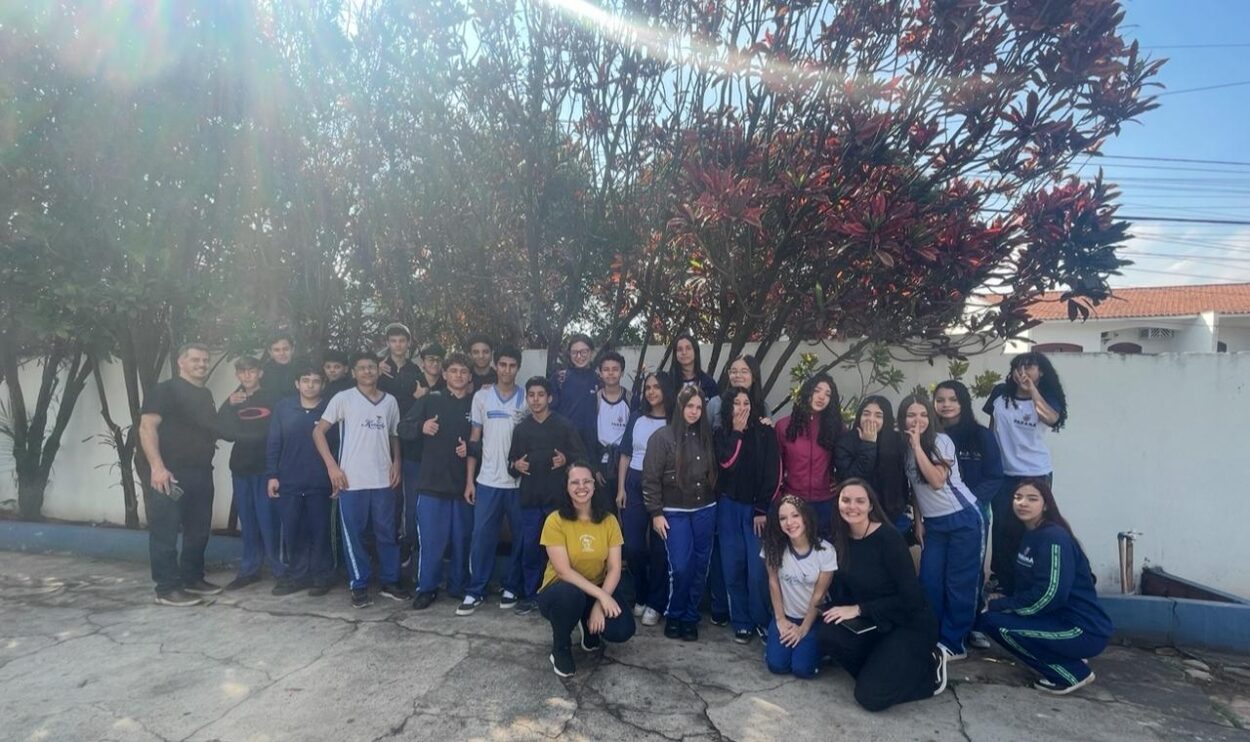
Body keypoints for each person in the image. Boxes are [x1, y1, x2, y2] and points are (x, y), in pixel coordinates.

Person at [819, 479, 948, 711]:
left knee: (870, 697)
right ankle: (882, 669)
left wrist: (859, 609)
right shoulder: (841, 538)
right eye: (846, 500)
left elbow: (912, 599)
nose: (852, 506)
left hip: (909, 623)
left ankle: (929, 669)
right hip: (876, 622)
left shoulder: (889, 538)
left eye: (860, 501)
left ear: (870, 506)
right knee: (828, 632)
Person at [977, 478, 1111, 695]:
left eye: (1032, 499)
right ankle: (1066, 656)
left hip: (1081, 629)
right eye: (1017, 498)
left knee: (997, 624)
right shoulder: (1029, 535)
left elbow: (1050, 594)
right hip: (1054, 620)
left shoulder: (1054, 538)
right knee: (992, 618)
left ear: (1046, 504)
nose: (1022, 503)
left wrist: (1002, 606)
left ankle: (1071, 673)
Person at [312, 353, 407, 608]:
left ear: (378, 371)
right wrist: (332, 467)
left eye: (371, 367)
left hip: (383, 479)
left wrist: (397, 462)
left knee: (387, 533)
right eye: (362, 368)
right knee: (353, 534)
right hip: (351, 480)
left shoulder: (390, 402)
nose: (367, 372)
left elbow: (394, 435)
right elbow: (318, 431)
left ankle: (390, 580)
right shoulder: (344, 398)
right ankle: (359, 584)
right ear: (353, 372)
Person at [138, 343, 223, 606]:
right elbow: (146, 427)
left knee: (198, 530)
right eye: (196, 359)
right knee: (165, 531)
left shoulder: (205, 393)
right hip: (169, 474)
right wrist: (157, 467)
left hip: (200, 472)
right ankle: (166, 588)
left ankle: (192, 578)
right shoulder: (165, 390)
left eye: (205, 360)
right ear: (181, 363)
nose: (202, 364)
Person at [900, 394, 983, 661]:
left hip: (962, 519)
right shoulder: (906, 448)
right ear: (902, 419)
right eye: (911, 415)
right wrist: (919, 520)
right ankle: (930, 635)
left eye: (923, 414)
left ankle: (953, 643)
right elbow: (915, 488)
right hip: (934, 525)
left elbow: (936, 480)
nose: (918, 420)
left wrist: (917, 447)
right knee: (929, 581)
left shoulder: (941, 441)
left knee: (959, 584)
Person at [538, 463, 635, 677]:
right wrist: (602, 596)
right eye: (575, 482)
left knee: (623, 629)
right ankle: (560, 648)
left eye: (586, 481)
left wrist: (600, 605)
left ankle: (587, 620)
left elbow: (614, 568)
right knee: (570, 595)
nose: (581, 487)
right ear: (566, 487)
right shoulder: (555, 520)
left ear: (594, 485)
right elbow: (563, 571)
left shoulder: (609, 520)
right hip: (560, 590)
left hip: (595, 587)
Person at [982, 352, 1068, 594]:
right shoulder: (1000, 393)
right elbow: (993, 428)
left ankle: (1030, 578)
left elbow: (1051, 418)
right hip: (1003, 473)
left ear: (1041, 372)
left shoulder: (1046, 397)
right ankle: (1001, 578)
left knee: (1032, 524)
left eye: (1029, 367)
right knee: (1002, 526)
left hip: (1034, 473)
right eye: (1018, 367)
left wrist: (1032, 391)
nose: (1023, 371)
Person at [397, 353, 475, 610]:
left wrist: (473, 449)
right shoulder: (431, 400)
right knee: (431, 541)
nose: (458, 376)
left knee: (462, 540)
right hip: (432, 484)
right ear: (445, 374)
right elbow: (402, 428)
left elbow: (490, 441)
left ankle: (458, 585)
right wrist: (422, 427)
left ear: (470, 376)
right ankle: (426, 588)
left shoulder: (476, 404)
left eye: (463, 372)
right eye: (453, 371)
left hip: (464, 485)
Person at [934, 379, 1005, 649]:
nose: (946, 405)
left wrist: (970, 502)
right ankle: (943, 628)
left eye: (952, 399)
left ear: (962, 402)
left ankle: (971, 625)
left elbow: (994, 476)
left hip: (973, 515)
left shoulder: (981, 436)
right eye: (940, 400)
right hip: (938, 517)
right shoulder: (931, 437)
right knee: (939, 575)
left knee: (968, 575)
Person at [643, 385, 717, 641]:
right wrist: (655, 512)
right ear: (680, 407)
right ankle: (674, 613)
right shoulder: (662, 437)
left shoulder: (707, 436)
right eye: (690, 406)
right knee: (681, 566)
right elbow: (650, 479)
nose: (694, 411)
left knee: (700, 565)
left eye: (699, 407)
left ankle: (689, 616)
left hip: (705, 509)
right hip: (674, 512)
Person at [507, 377, 587, 615]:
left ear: (549, 398)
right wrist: (516, 466)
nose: (536, 399)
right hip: (530, 500)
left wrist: (567, 460)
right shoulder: (521, 429)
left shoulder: (564, 425)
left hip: (558, 500)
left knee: (560, 551)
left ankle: (562, 594)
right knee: (530, 549)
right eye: (531, 395)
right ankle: (532, 595)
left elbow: (580, 458)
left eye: (541, 394)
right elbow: (511, 464)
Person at [459, 345, 527, 616]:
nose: (507, 370)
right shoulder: (482, 397)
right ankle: (476, 590)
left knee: (521, 538)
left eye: (512, 366)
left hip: (519, 484)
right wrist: (469, 480)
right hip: (487, 480)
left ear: (517, 369)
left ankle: (512, 586)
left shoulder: (527, 398)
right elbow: (474, 441)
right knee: (481, 538)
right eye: (503, 365)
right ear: (495, 366)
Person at [715, 385, 781, 643]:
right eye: (736, 403)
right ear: (728, 408)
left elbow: (773, 472)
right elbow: (726, 463)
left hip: (757, 510)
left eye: (746, 403)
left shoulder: (765, 432)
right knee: (733, 567)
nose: (742, 408)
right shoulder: (722, 434)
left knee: (757, 571)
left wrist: (762, 509)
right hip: (729, 507)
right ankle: (741, 621)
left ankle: (762, 620)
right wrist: (738, 433)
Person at [265, 365, 334, 596]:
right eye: (306, 380)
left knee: (320, 531)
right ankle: (297, 576)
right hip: (289, 481)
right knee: (294, 531)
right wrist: (273, 474)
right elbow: (274, 442)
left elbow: (338, 445)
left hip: (320, 482)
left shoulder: (330, 409)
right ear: (297, 383)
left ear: (322, 385)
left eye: (316, 381)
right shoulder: (284, 407)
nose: (310, 385)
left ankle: (321, 577)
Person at [615, 371, 675, 627]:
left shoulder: (675, 420)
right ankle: (640, 594)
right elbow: (625, 454)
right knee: (633, 547)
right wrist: (621, 488)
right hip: (634, 482)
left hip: (665, 486)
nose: (651, 391)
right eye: (648, 387)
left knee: (661, 547)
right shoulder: (637, 417)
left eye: (657, 387)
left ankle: (656, 602)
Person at [217, 356, 281, 591]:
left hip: (266, 468)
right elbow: (222, 430)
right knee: (249, 521)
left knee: (269, 520)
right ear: (237, 375)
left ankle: (279, 569)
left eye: (251, 371)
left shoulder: (272, 397)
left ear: (260, 373)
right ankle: (249, 570)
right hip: (241, 466)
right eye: (242, 372)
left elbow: (278, 431)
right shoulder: (234, 399)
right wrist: (228, 404)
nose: (247, 376)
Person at [761, 495, 836, 678]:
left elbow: (819, 595)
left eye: (795, 515)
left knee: (803, 669)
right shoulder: (774, 547)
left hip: (813, 618)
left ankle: (821, 650)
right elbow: (773, 582)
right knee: (777, 665)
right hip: (786, 615)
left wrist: (803, 629)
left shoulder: (825, 551)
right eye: (783, 518)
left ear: (805, 517)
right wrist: (780, 620)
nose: (790, 522)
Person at [377, 323, 424, 578]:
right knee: (389, 496)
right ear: (388, 342)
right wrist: (375, 364)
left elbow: (426, 396)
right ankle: (390, 548)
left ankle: (409, 544)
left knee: (411, 498)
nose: (398, 345)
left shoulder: (415, 370)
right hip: (382, 440)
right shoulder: (378, 369)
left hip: (412, 441)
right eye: (393, 340)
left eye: (402, 341)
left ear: (408, 343)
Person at [775, 374, 843, 535]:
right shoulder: (783, 426)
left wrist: (842, 482)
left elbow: (846, 460)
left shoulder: (837, 428)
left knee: (823, 551)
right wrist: (779, 496)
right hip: (793, 503)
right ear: (807, 392)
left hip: (825, 503)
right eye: (817, 390)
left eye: (828, 394)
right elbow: (775, 468)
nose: (822, 397)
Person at [835, 395, 908, 533]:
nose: (871, 419)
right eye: (866, 414)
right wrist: (868, 444)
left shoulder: (897, 441)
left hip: (892, 514)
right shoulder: (846, 442)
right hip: (857, 514)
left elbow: (902, 478)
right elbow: (852, 479)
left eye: (878, 415)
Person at [551, 334, 600, 457]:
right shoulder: (559, 379)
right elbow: (550, 413)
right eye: (574, 352)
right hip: (565, 447)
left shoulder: (599, 380)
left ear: (591, 353)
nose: (579, 356)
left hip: (593, 448)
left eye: (583, 352)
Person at [593, 351, 630, 512]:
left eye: (615, 369)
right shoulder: (595, 399)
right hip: (601, 462)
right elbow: (589, 435)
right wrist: (594, 468)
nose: (610, 373)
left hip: (624, 462)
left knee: (626, 510)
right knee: (604, 513)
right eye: (606, 369)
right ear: (600, 373)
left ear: (621, 372)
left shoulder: (630, 398)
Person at [668, 334, 719, 401]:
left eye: (688, 348)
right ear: (675, 354)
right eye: (680, 349)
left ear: (695, 351)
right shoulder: (668, 382)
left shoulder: (708, 383)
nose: (684, 352)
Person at [261, 332, 299, 398]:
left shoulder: (303, 368)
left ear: (292, 350)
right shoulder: (264, 371)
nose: (282, 353)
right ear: (270, 352)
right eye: (277, 350)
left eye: (286, 349)